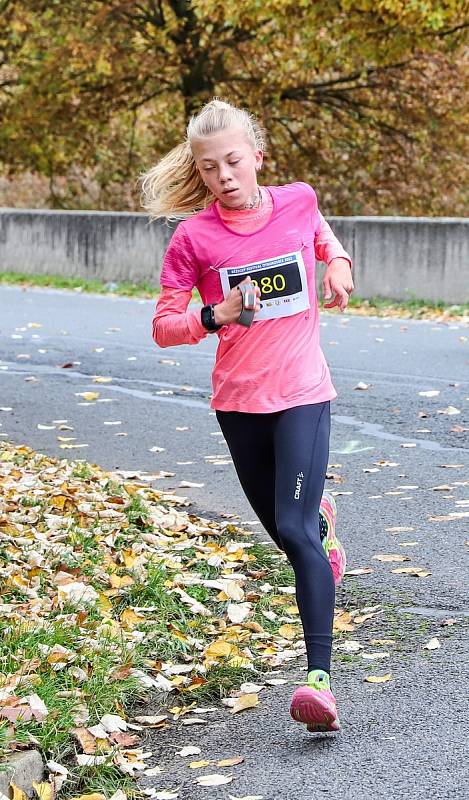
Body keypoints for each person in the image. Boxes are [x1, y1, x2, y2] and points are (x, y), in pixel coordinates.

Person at [141, 98, 353, 734]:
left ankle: (319, 681)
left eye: (234, 161)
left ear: (257, 157)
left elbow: (321, 236)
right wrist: (216, 315)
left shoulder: (298, 199)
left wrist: (338, 266)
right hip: (238, 404)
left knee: (294, 532)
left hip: (302, 392)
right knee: (287, 531)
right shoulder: (193, 239)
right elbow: (163, 327)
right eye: (209, 168)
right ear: (199, 173)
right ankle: (321, 521)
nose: (224, 175)